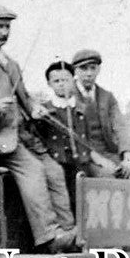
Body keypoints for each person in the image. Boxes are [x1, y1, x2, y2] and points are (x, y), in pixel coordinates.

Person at [0, 5, 78, 252]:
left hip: (20, 136)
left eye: (7, 27)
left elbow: (25, 99)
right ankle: (49, 236)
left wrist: (34, 108)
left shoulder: (11, 64)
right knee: (34, 170)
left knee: (54, 170)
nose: (4, 32)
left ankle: (69, 232)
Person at [70, 49, 130, 179]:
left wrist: (129, 156)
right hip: (83, 156)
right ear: (75, 71)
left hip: (108, 154)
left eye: (93, 68)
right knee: (109, 178)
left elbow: (121, 127)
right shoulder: (68, 96)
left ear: (98, 70)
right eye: (83, 69)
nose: (89, 74)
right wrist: (99, 160)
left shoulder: (107, 97)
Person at [35, 60, 86, 213]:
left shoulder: (84, 108)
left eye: (65, 80)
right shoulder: (43, 111)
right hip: (56, 164)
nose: (61, 84)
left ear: (73, 81)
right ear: (49, 84)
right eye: (56, 81)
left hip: (82, 164)